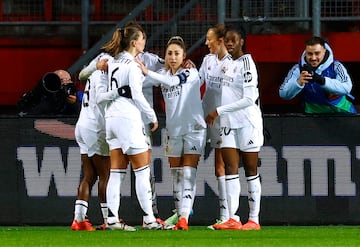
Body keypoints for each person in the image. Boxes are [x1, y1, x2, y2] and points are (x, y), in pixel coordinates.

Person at [96, 22, 166, 230]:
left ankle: (112, 219)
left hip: (112, 120)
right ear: (135, 42)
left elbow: (103, 96)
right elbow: (137, 95)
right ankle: (150, 220)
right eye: (143, 39)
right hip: (128, 119)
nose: (145, 42)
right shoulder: (133, 66)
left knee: (116, 173)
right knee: (142, 171)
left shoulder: (113, 63)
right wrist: (152, 116)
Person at [137, 35, 206, 230]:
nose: (173, 57)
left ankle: (184, 218)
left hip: (194, 129)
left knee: (188, 173)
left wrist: (146, 71)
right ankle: (180, 214)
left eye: (177, 53)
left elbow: (174, 82)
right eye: (169, 53)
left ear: (184, 56)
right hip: (173, 131)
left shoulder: (190, 73)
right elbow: (146, 81)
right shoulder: (162, 75)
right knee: (176, 175)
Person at [205, 24, 263, 231]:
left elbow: (249, 99)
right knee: (230, 169)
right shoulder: (228, 64)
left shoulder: (247, 63)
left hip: (247, 123)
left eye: (233, 40)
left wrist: (218, 111)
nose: (229, 43)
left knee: (250, 170)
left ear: (242, 41)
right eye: (226, 40)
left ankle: (254, 220)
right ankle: (233, 218)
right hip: (229, 124)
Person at [71, 53, 113, 231]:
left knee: (89, 176)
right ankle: (108, 220)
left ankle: (79, 219)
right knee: (106, 176)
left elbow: (81, 74)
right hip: (96, 127)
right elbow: (103, 99)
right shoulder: (109, 68)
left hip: (82, 125)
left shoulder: (96, 67)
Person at [198, 23, 232, 229]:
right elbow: (198, 81)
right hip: (204, 117)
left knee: (221, 167)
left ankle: (225, 214)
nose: (206, 43)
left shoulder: (232, 63)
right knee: (187, 162)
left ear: (220, 41)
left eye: (209, 39)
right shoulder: (208, 60)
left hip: (221, 119)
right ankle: (182, 210)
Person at [279, 36, 356, 114]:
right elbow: (283, 94)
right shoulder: (297, 69)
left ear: (324, 52)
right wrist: (298, 83)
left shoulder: (336, 65)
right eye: (309, 54)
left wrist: (321, 80)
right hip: (313, 116)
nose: (313, 58)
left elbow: (347, 88)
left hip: (342, 112)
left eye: (317, 53)